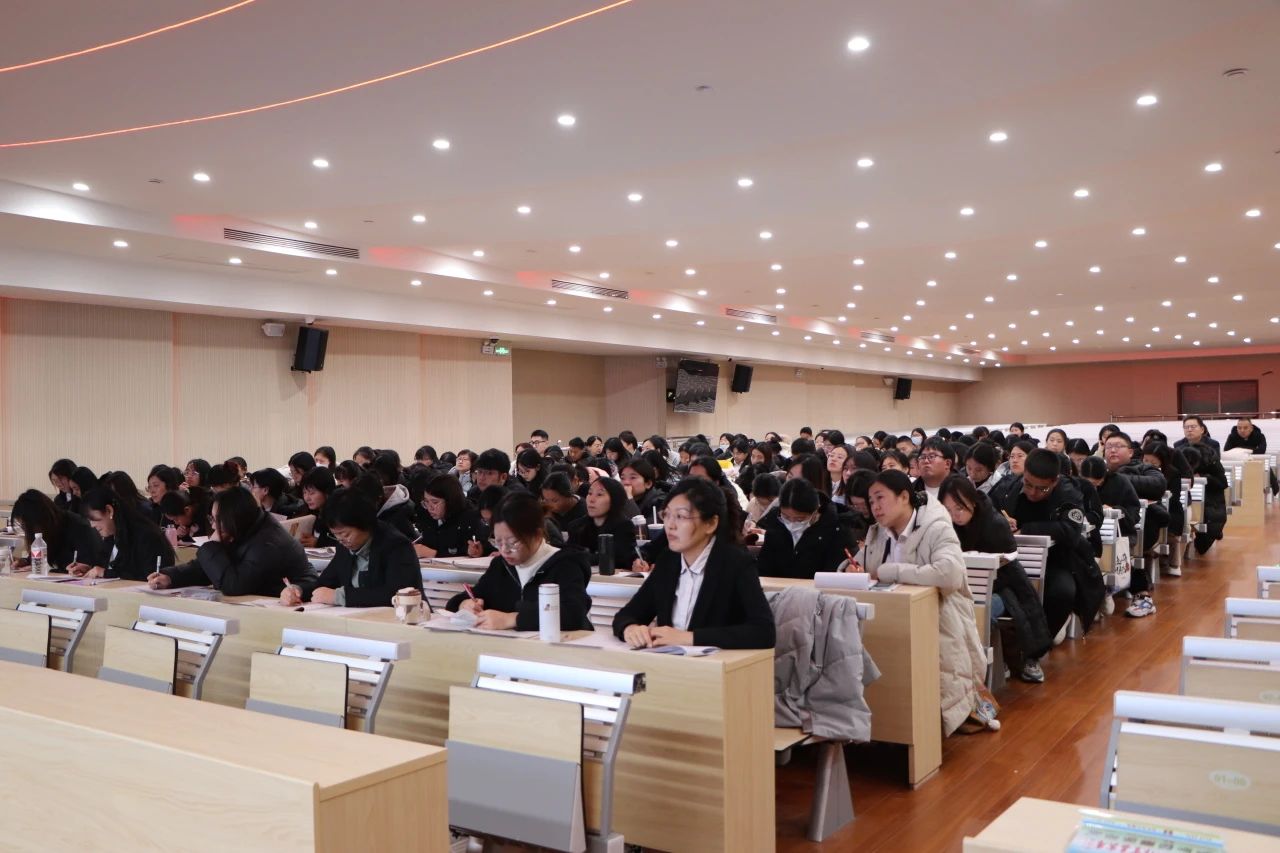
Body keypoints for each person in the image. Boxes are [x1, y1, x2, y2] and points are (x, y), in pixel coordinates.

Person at [857, 471, 994, 734]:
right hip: (891, 618)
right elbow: (862, 564)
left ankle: (921, 727)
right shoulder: (877, 533)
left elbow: (949, 574)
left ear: (903, 496)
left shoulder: (937, 527)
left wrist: (890, 571)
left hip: (938, 617)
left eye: (880, 498)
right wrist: (850, 570)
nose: (875, 507)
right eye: (871, 501)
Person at [613, 478, 775, 649]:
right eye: (666, 515)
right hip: (669, 660)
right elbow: (627, 615)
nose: (670, 525)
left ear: (711, 523)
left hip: (716, 663)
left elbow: (764, 632)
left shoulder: (735, 563)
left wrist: (690, 638)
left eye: (681, 516)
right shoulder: (668, 560)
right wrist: (630, 628)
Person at [939, 475, 1050, 683]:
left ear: (972, 500)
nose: (955, 515)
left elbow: (1010, 569)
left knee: (980, 613)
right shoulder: (946, 526)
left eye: (959, 508)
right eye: (948, 510)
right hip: (964, 588)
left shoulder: (994, 523)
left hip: (1004, 587)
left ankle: (979, 668)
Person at [445, 492, 592, 631]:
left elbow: (573, 613)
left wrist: (512, 619)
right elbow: (465, 598)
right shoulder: (501, 566)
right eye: (498, 542)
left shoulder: (565, 565)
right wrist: (465, 604)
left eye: (513, 542)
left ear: (537, 534)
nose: (504, 550)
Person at [1000, 450, 1106, 641]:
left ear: (1055, 481)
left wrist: (1027, 529)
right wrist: (1001, 522)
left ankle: (1041, 642)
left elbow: (1071, 531)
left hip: (1058, 560)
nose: (1033, 493)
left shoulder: (1069, 493)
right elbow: (986, 509)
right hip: (1012, 560)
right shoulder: (1011, 485)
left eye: (1042, 489)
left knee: (1063, 591)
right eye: (1028, 484)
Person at [150, 487, 315, 596]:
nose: (213, 526)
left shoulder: (268, 542)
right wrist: (171, 577)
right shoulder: (246, 528)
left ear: (233, 518)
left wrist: (212, 546)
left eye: (217, 519)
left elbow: (233, 585)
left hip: (289, 607)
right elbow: (210, 568)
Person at [281, 490, 421, 608]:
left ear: (365, 525)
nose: (341, 540)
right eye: (335, 535)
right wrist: (298, 590)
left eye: (345, 534)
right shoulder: (345, 546)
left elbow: (397, 594)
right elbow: (324, 584)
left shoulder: (396, 546)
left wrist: (340, 596)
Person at [1101, 432, 1170, 616]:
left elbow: (1158, 484)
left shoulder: (1143, 468)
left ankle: (1141, 596)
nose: (1113, 450)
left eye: (1118, 446)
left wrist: (1117, 478)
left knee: (1122, 544)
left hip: (1135, 526)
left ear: (1131, 452)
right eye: (1109, 447)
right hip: (1101, 526)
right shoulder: (1097, 471)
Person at [756, 478, 847, 579]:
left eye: (800, 519)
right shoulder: (775, 521)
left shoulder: (835, 529)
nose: (792, 523)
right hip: (776, 587)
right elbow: (764, 566)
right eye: (786, 517)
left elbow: (833, 575)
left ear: (815, 511)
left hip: (816, 587)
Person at [78, 488, 176, 580]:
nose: (92, 525)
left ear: (109, 510)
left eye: (93, 519)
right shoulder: (111, 536)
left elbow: (150, 577)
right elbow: (106, 569)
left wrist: (106, 573)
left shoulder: (146, 536)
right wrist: (90, 570)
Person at [9, 489, 104, 574]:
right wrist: (25, 561)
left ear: (38, 520)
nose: (27, 532)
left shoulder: (79, 528)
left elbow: (87, 567)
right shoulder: (49, 529)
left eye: (27, 527)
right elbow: (42, 555)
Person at [567, 477, 638, 572]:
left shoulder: (624, 526)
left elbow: (620, 559)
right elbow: (568, 555)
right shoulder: (577, 526)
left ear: (614, 500)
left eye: (599, 494)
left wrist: (583, 557)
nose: (591, 499)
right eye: (590, 493)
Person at [416, 475, 486, 558]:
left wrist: (433, 554)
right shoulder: (427, 515)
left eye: (435, 502)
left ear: (450, 501)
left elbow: (467, 552)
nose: (429, 508)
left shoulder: (470, 518)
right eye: (426, 502)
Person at [299, 466, 338, 547]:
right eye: (304, 492)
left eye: (312, 493)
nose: (307, 498)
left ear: (327, 492)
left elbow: (344, 542)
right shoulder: (310, 512)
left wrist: (319, 542)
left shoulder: (337, 515)